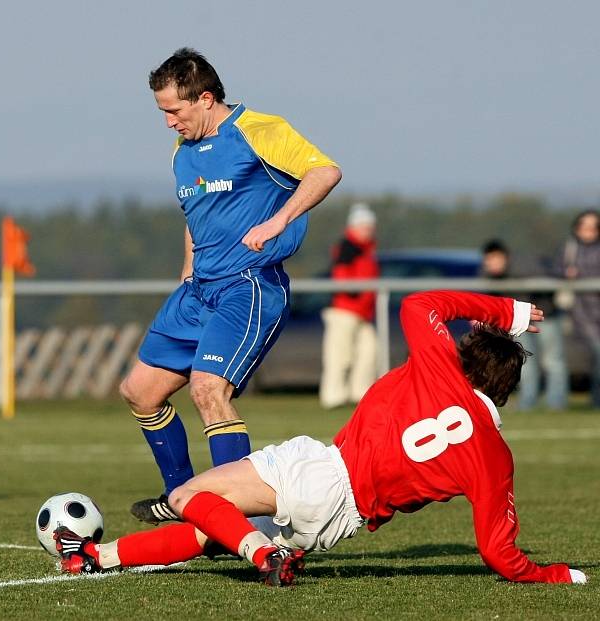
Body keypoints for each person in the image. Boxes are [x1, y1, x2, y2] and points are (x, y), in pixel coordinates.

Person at [55, 290, 587, 587]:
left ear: (463, 361)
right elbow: (499, 553)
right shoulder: (496, 457)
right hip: (340, 524)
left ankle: (262, 555)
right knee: (208, 530)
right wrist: (561, 575)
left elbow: (420, 304)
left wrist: (505, 312)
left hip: (324, 471)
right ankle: (96, 559)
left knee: (188, 497)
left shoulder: (439, 367)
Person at [120, 48, 341, 523]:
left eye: (174, 111)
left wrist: (279, 221)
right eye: (162, 112)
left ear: (205, 98)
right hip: (199, 289)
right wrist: (186, 269)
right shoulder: (182, 153)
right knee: (140, 391)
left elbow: (325, 172)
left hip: (249, 286)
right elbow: (195, 215)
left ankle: (240, 521)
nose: (168, 122)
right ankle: (183, 499)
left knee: (208, 390)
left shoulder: (259, 130)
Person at [480, 240, 567, 411]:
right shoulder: (487, 274)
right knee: (525, 362)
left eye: (495, 259)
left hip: (545, 316)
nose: (492, 263)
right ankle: (528, 402)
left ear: (505, 257)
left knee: (553, 361)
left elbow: (551, 281)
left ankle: (556, 403)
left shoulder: (524, 266)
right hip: (520, 321)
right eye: (489, 260)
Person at [319, 202, 378, 408]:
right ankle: (333, 396)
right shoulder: (348, 247)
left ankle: (361, 395)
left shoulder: (366, 250)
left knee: (369, 352)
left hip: (363, 313)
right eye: (364, 227)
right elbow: (341, 274)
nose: (368, 231)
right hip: (344, 310)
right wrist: (354, 290)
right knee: (339, 356)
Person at [562, 210, 600, 407]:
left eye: (594, 227)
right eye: (585, 227)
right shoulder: (570, 249)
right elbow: (556, 268)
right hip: (581, 312)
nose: (589, 231)